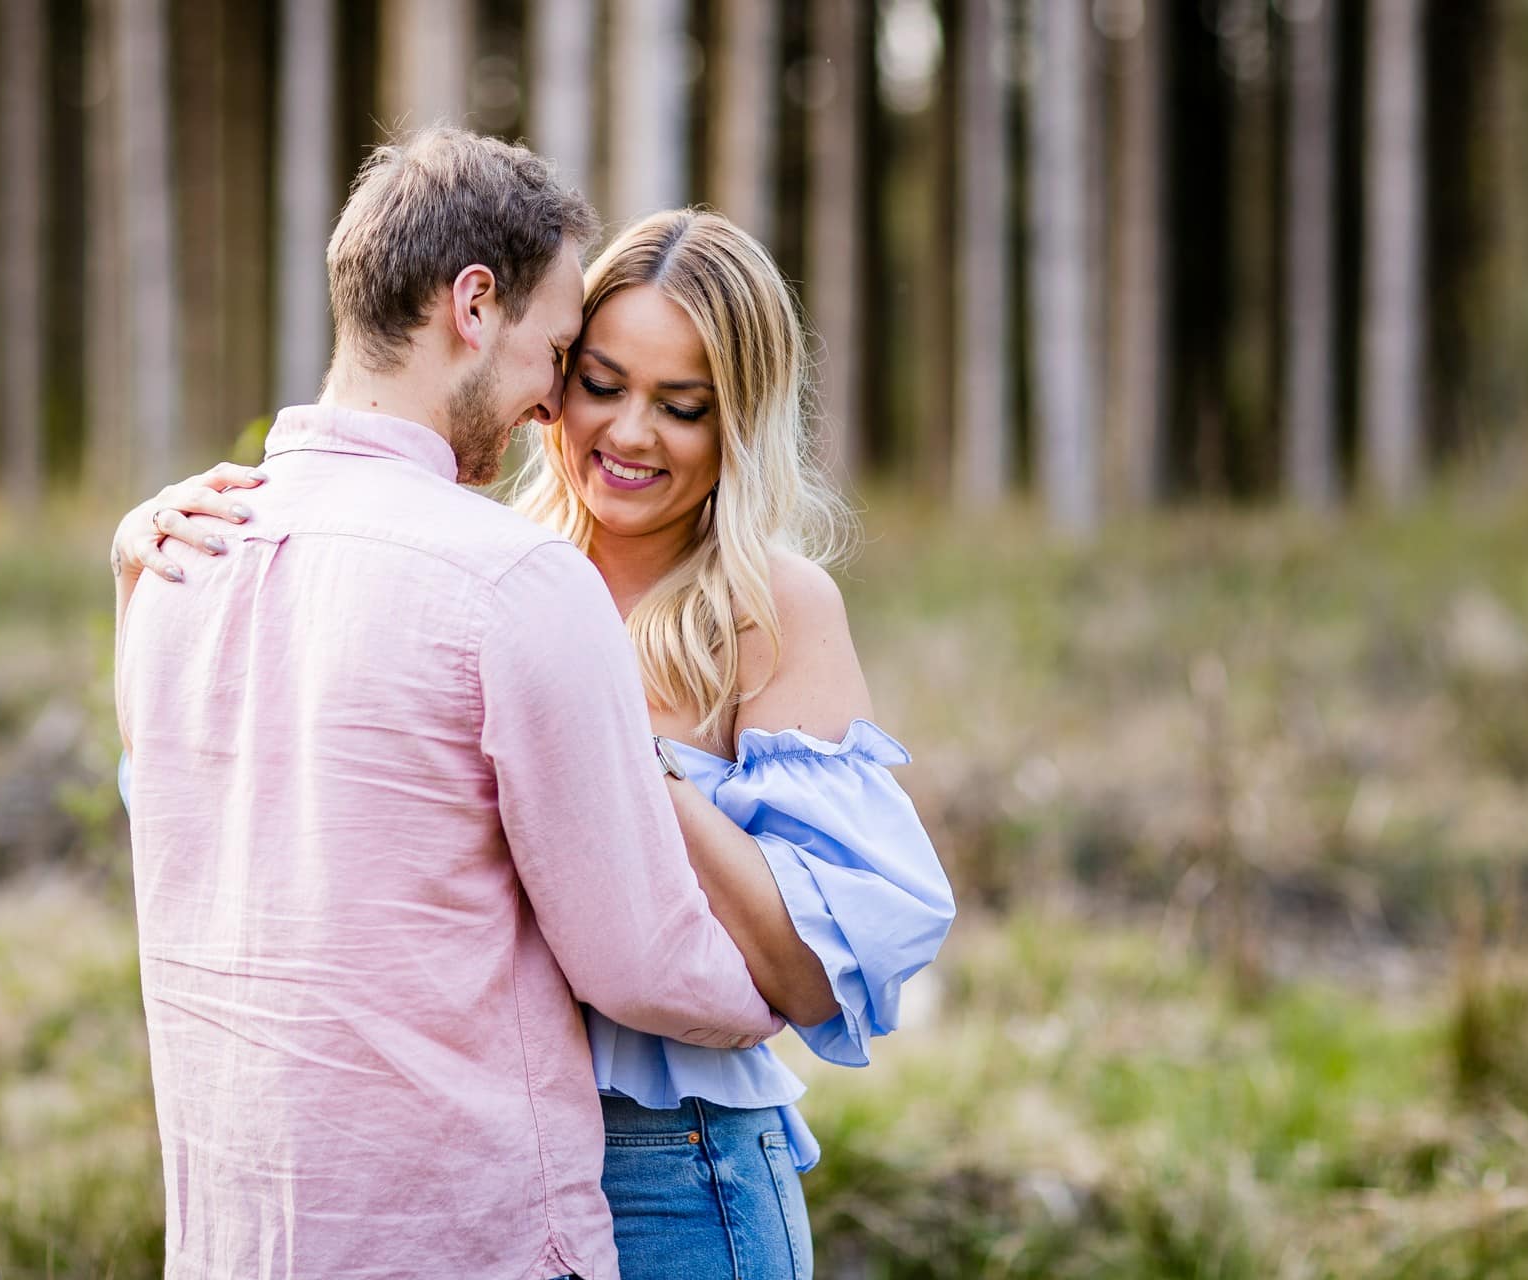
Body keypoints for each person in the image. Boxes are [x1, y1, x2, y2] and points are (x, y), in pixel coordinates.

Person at [116, 205, 956, 1280]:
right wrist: (142, 579)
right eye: (600, 383)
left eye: (683, 405)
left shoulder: (771, 609)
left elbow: (810, 964)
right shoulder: (488, 573)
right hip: (467, 1167)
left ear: (738, 421)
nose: (630, 432)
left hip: (669, 1166)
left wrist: (634, 763)